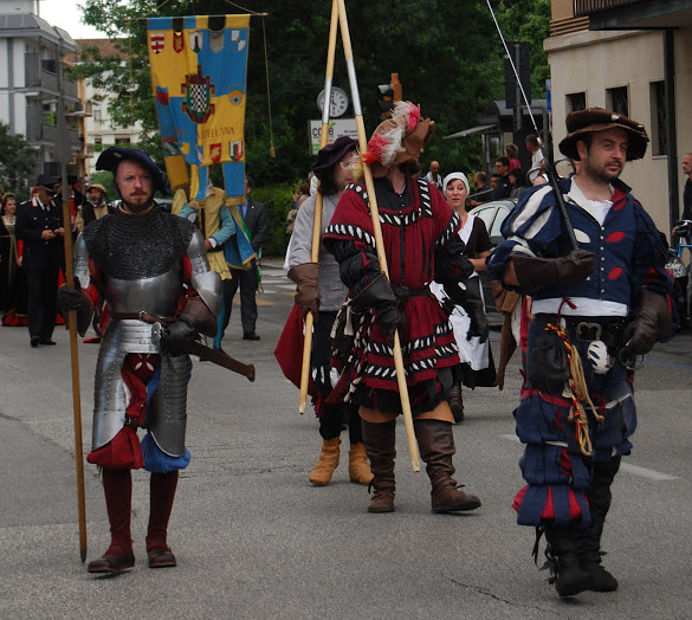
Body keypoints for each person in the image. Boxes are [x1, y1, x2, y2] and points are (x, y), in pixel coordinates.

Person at [487, 107, 672, 597]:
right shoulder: (549, 199)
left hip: (612, 349)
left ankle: (589, 553)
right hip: (557, 342)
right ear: (580, 152)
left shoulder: (632, 211)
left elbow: (655, 276)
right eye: (607, 146)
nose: (618, 155)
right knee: (556, 453)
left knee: (606, 456)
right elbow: (505, 262)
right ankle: (564, 558)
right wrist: (555, 270)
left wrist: (649, 318)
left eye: (622, 148)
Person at [56, 146, 221, 575]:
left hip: (170, 343)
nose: (137, 185)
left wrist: (191, 319)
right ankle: (119, 544)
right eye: (128, 178)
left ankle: (158, 540)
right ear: (118, 183)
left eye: (143, 178)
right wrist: (73, 301)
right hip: (118, 346)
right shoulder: (95, 235)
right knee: (111, 448)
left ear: (153, 182)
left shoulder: (179, 230)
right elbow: (85, 288)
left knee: (167, 447)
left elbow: (206, 280)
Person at [323, 101, 488, 514]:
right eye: (412, 147)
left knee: (435, 392)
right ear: (394, 151)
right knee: (378, 400)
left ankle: (443, 484)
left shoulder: (429, 196)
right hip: (378, 311)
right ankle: (383, 486)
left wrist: (470, 298)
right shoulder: (358, 197)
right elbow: (352, 257)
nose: (418, 153)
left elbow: (450, 255)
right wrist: (380, 299)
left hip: (419, 309)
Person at [286, 136, 373, 486]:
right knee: (329, 382)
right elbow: (298, 253)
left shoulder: (370, 201)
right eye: (346, 163)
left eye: (357, 162)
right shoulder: (315, 206)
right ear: (331, 169)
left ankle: (360, 454)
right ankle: (329, 449)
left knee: (365, 383)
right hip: (327, 308)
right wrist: (307, 286)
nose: (353, 169)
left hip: (364, 302)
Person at [430, 172, 495, 423]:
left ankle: (454, 396)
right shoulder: (436, 222)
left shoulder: (476, 225)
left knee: (464, 340)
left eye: (460, 188)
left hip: (467, 289)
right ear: (444, 192)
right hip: (441, 289)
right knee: (448, 337)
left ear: (467, 192)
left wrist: (467, 264)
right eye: (451, 188)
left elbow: (488, 260)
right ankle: (451, 396)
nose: (455, 192)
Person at [175, 183, 237, 349]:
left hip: (214, 256)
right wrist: (191, 205)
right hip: (192, 257)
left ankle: (216, 344)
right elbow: (178, 223)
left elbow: (229, 225)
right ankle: (198, 339)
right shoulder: (184, 193)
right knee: (192, 299)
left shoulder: (220, 195)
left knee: (218, 300)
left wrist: (212, 241)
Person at [15, 174, 64, 347]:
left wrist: (61, 231)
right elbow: (19, 232)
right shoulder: (25, 209)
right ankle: (35, 333)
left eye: (53, 194)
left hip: (52, 258)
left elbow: (64, 225)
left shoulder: (57, 207)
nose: (51, 197)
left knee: (50, 296)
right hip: (34, 259)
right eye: (48, 194)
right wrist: (39, 234)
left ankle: (46, 334)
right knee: (35, 295)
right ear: (39, 191)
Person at [221, 176, 268, 341]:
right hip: (231, 260)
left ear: (248, 190)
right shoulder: (228, 208)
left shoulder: (259, 208)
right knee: (226, 295)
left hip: (249, 259)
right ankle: (220, 328)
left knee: (248, 295)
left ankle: (249, 329)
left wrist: (249, 249)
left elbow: (262, 232)